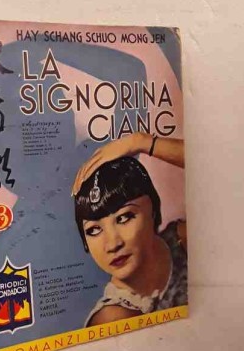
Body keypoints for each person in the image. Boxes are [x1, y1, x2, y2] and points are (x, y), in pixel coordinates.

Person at [72, 132, 187, 327]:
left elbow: (218, 166)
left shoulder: (180, 239)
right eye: (94, 230)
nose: (112, 244)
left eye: (124, 218)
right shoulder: (113, 317)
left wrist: (140, 141)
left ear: (153, 210)